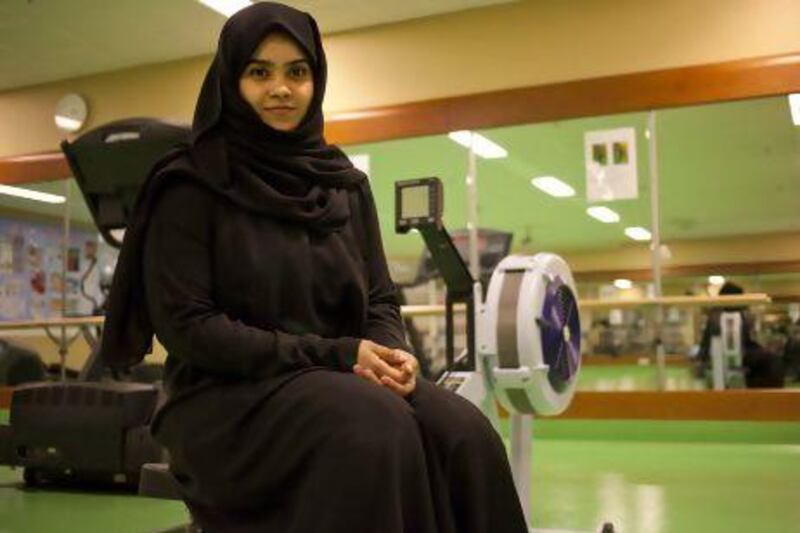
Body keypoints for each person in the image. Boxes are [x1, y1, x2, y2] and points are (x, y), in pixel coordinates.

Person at [100, 3, 527, 532]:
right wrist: (341, 354)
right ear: (231, 80)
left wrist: (391, 355)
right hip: (225, 398)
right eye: (260, 72)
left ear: (315, 81)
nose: (281, 88)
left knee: (463, 427)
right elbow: (191, 329)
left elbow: (379, 299)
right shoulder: (189, 184)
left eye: (296, 72)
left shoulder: (343, 184)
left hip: (335, 378)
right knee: (373, 425)